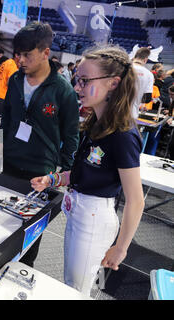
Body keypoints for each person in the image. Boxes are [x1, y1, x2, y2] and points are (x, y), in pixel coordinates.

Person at [31, 45, 145, 296]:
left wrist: (121, 247)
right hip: (78, 211)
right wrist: (53, 179)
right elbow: (84, 172)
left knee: (75, 290)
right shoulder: (96, 123)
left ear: (113, 83)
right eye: (77, 80)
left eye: (84, 81)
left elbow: (136, 200)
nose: (77, 87)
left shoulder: (123, 135)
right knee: (73, 284)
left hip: (94, 218)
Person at [0, 22, 80, 267]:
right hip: (9, 163)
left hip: (40, 171)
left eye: (27, 55)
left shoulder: (63, 90)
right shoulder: (14, 80)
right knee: (1, 223)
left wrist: (64, 172)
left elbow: (71, 134)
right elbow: (7, 118)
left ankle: (23, 274)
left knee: (30, 234)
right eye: (18, 55)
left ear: (46, 53)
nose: (21, 60)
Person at [0, 51, 19, 116]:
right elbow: (9, 82)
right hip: (2, 94)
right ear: (16, 55)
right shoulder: (13, 66)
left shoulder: (7, 62)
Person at [131, 47, 153, 119]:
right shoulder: (149, 74)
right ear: (145, 60)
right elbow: (147, 98)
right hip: (131, 114)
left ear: (134, 57)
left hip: (112, 111)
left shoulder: (122, 68)